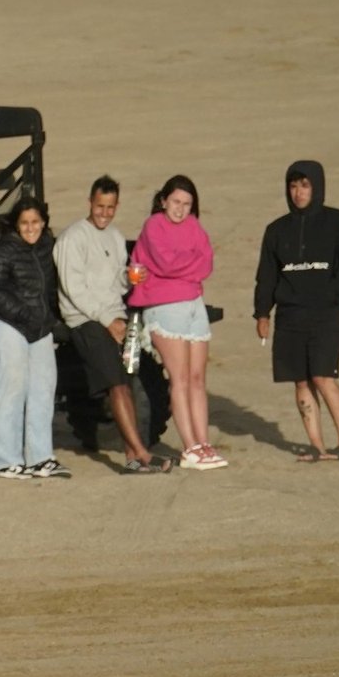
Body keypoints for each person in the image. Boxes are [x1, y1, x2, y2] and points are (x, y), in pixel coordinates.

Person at [55, 176, 172, 474]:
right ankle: (141, 454)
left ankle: (134, 457)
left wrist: (130, 277)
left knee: (128, 383)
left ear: (116, 206)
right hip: (87, 320)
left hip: (117, 318)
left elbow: (117, 279)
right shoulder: (72, 239)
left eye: (110, 207)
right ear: (90, 203)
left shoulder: (116, 236)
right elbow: (74, 289)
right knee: (117, 386)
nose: (104, 213)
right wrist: (109, 321)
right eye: (99, 206)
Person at [254, 160, 339, 462]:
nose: (298, 192)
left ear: (317, 186)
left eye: (305, 185)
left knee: (322, 376)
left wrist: (332, 293)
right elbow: (267, 275)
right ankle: (317, 446)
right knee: (300, 380)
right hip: (290, 316)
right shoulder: (276, 230)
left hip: (327, 314)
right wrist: (262, 313)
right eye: (293, 185)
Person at [131, 175, 223, 470]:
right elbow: (165, 262)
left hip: (193, 305)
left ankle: (203, 443)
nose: (181, 210)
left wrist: (183, 267)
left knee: (197, 379)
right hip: (165, 307)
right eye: (176, 202)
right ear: (163, 200)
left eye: (187, 204)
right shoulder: (153, 226)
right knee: (180, 378)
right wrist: (188, 265)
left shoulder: (194, 226)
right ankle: (190, 447)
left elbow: (206, 262)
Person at [0, 196, 67, 480]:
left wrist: (51, 318)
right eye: (25, 223)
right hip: (7, 326)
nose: (31, 228)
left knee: (43, 390)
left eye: (35, 222)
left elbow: (51, 286)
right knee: (11, 390)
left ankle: (40, 458)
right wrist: (24, 314)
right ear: (17, 225)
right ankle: (5, 460)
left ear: (43, 222)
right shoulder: (3, 249)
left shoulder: (46, 246)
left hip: (39, 327)